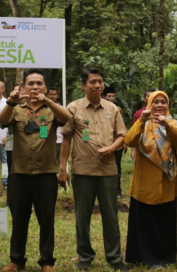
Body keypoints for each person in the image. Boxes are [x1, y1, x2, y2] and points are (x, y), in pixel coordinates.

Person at [0, 69, 70, 272]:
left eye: (39, 83)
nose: (35, 87)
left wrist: (48, 102)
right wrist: (11, 101)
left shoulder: (51, 109)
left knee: (46, 220)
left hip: (46, 174)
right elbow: (3, 122)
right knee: (19, 219)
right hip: (19, 173)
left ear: (46, 87)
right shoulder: (16, 108)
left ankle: (47, 262)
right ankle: (17, 260)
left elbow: (66, 119)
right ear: (23, 86)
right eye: (30, 83)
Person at [59, 68, 129, 271]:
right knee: (83, 216)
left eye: (100, 81)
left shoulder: (112, 109)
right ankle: (85, 256)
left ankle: (115, 258)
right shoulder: (73, 108)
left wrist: (113, 147)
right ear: (83, 85)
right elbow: (66, 138)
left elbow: (121, 135)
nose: (98, 85)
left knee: (111, 215)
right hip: (83, 170)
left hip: (108, 170)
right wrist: (62, 169)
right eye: (93, 82)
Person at [124, 91, 177, 269]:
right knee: (145, 222)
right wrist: (142, 121)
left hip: (166, 182)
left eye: (163, 102)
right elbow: (130, 140)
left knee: (164, 222)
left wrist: (167, 125)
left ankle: (165, 256)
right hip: (144, 181)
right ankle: (144, 258)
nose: (159, 105)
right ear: (149, 104)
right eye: (155, 102)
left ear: (168, 105)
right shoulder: (141, 123)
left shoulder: (174, 123)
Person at [102, 86, 127, 197]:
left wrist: (124, 142)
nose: (111, 98)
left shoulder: (118, 109)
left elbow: (121, 127)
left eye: (113, 96)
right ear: (104, 97)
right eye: (109, 96)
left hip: (117, 144)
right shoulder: (100, 108)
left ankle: (117, 191)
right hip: (103, 143)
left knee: (117, 167)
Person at [47, 86, 63, 164]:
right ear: (47, 95)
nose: (52, 96)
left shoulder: (62, 109)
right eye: (50, 94)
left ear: (57, 96)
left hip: (59, 139)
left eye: (54, 94)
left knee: (57, 161)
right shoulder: (43, 108)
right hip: (46, 139)